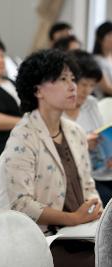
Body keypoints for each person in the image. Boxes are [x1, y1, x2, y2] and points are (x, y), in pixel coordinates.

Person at [0, 49, 101, 267]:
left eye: (73, 78)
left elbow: (88, 185)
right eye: (62, 79)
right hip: (46, 240)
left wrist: (94, 210)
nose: (73, 86)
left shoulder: (75, 132)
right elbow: (20, 204)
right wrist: (73, 219)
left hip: (80, 232)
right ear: (38, 90)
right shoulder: (23, 136)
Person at [64, 50, 112, 206]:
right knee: (105, 198)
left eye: (92, 85)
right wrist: (82, 142)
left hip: (101, 169)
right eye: (83, 84)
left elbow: (100, 134)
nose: (87, 90)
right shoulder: (56, 107)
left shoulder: (90, 102)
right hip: (76, 177)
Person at [93, 21, 112, 98]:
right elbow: (106, 88)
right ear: (100, 39)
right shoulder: (97, 60)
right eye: (109, 35)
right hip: (104, 102)